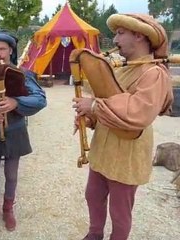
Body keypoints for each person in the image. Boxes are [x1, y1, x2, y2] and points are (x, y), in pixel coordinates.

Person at [72, 14, 174, 240]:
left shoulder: (154, 73)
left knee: (120, 211)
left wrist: (95, 105)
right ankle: (94, 234)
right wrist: (88, 117)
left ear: (139, 35)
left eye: (120, 33)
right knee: (93, 195)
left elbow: (138, 112)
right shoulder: (120, 68)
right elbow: (108, 103)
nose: (114, 38)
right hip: (103, 149)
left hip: (128, 152)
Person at [0, 30, 47, 233]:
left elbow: (40, 99)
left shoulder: (21, 74)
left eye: (3, 49)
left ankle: (8, 210)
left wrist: (15, 102)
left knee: (11, 174)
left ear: (11, 50)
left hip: (15, 130)